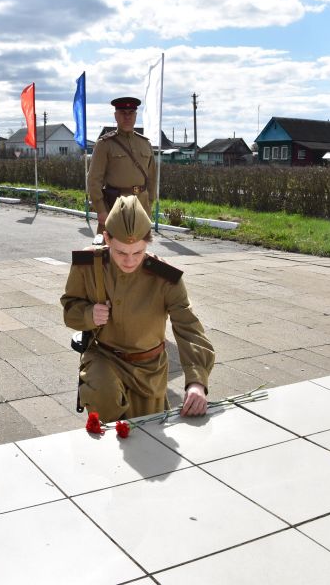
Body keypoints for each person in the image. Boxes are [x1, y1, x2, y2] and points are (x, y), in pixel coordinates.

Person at [61, 195, 214, 422]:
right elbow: (69, 308)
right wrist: (88, 314)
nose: (130, 261)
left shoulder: (165, 278)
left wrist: (196, 382)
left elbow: (189, 327)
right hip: (104, 357)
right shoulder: (88, 265)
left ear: (148, 242)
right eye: (121, 252)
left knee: (147, 435)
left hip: (148, 370)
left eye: (138, 252)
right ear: (106, 238)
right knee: (104, 397)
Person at [87, 97, 157, 233]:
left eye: (131, 112)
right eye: (123, 113)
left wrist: (149, 203)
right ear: (116, 116)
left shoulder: (145, 143)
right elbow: (94, 179)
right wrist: (101, 210)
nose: (127, 117)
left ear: (136, 116)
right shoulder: (105, 144)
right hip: (114, 205)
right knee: (109, 249)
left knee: (137, 249)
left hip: (141, 205)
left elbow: (152, 177)